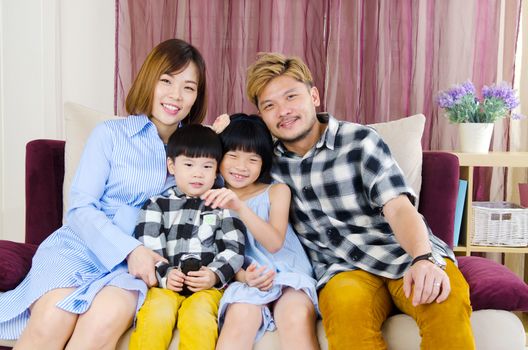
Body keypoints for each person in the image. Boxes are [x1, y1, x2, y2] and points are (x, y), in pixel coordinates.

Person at [244, 53, 475, 350]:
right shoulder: (266, 162)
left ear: (314, 96)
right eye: (269, 106)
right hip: (341, 270)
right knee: (345, 313)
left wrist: (422, 257)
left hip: (401, 253)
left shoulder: (360, 141)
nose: (283, 111)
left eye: (291, 97)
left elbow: (399, 207)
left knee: (446, 302)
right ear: (262, 116)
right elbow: (215, 164)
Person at [0, 38, 208, 349]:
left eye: (188, 88)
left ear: (196, 98)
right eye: (166, 81)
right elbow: (81, 207)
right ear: (150, 81)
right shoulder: (111, 134)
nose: (175, 95)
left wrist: (219, 139)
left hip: (136, 267)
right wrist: (128, 249)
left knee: (102, 323)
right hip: (81, 247)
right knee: (51, 319)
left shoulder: (197, 154)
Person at [202, 114, 319, 350]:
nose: (241, 167)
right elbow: (215, 254)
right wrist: (244, 277)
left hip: (287, 272)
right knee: (239, 321)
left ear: (264, 162)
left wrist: (240, 208)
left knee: (294, 316)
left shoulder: (277, 191)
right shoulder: (210, 197)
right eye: (232, 155)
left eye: (252, 159)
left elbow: (274, 242)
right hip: (246, 278)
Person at [129, 124, 245, 350]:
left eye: (207, 166)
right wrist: (166, 275)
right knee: (155, 316)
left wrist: (213, 275)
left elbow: (234, 249)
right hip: (165, 288)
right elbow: (149, 250)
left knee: (199, 319)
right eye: (189, 164)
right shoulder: (156, 205)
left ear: (217, 170)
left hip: (206, 289)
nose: (198, 173)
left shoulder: (223, 206)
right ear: (172, 166)